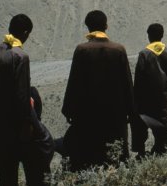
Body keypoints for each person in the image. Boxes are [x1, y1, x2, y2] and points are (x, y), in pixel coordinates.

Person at [58, 10, 135, 171]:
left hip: (88, 115)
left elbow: (74, 83)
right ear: (106, 26)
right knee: (115, 156)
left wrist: (69, 110)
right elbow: (127, 83)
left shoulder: (82, 50)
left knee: (90, 157)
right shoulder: (118, 49)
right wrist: (131, 111)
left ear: (88, 27)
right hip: (115, 115)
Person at [0, 14, 48, 186]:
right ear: (25, 33)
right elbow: (21, 95)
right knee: (46, 145)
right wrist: (27, 124)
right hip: (15, 123)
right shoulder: (21, 56)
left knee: (6, 174)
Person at [132, 23, 167, 157]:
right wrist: (164, 86)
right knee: (161, 124)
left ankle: (141, 153)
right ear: (162, 35)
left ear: (149, 36)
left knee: (141, 124)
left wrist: (136, 97)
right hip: (161, 97)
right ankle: (160, 150)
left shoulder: (144, 54)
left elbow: (139, 78)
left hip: (144, 98)